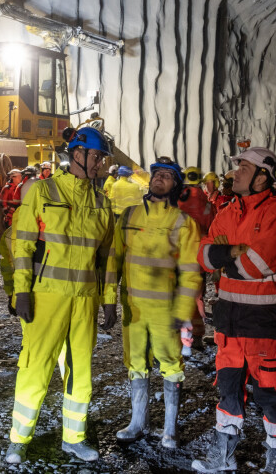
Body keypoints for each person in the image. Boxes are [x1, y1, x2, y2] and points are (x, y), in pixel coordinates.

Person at [5, 126, 115, 464]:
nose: (101, 165)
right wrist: (21, 290)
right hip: (46, 296)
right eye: (97, 157)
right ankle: (18, 439)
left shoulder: (101, 202)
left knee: (80, 372)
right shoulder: (42, 190)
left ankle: (74, 437)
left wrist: (109, 299)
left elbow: (108, 257)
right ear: (78, 155)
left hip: (85, 300)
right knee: (35, 368)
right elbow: (21, 244)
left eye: (102, 159)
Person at [192, 147, 276, 474]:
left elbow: (257, 265)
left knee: (269, 391)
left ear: (263, 177)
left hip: (262, 319)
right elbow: (204, 256)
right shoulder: (227, 211)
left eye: (245, 168)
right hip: (229, 316)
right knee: (228, 387)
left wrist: (228, 257)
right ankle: (222, 456)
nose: (235, 173)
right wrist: (234, 253)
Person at [106, 157, 201, 449]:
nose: (159, 178)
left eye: (167, 176)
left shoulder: (184, 222)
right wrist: (109, 300)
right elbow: (114, 259)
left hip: (165, 311)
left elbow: (190, 272)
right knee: (136, 364)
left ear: (176, 186)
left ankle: (169, 429)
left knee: (171, 366)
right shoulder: (129, 216)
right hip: (133, 309)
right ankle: (138, 422)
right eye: (156, 174)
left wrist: (182, 311)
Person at [176, 165, 212, 356]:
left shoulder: (178, 197)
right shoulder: (206, 202)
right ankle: (195, 337)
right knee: (197, 297)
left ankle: (179, 338)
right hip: (199, 256)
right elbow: (212, 227)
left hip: (177, 254)